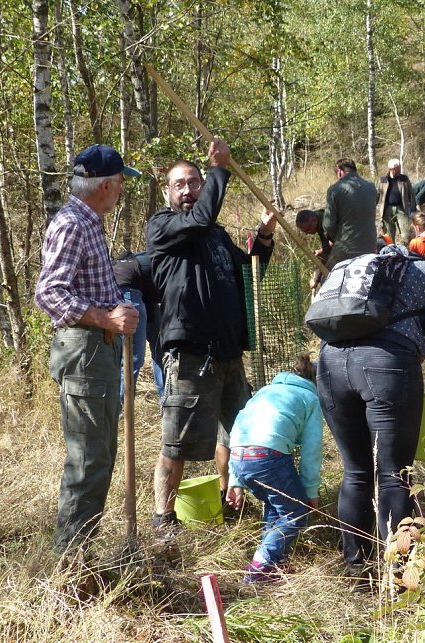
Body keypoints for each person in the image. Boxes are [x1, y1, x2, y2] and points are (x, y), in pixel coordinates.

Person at [146, 137, 276, 535]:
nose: (188, 190)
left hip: (228, 353)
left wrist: (265, 236)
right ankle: (164, 520)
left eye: (195, 182)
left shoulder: (216, 235)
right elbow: (198, 220)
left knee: (238, 432)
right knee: (178, 443)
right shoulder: (164, 228)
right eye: (179, 184)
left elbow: (247, 273)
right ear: (168, 192)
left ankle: (227, 498)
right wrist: (221, 168)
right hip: (190, 355)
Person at [316, 244, 425, 577]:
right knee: (394, 476)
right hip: (386, 366)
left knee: (355, 472)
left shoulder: (353, 266)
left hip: (328, 365)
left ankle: (357, 572)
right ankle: (398, 578)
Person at [34, 144, 140, 553]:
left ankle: (79, 556)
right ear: (107, 185)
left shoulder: (88, 221)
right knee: (89, 460)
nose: (122, 191)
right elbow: (49, 294)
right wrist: (106, 318)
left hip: (96, 350)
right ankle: (70, 565)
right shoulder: (73, 224)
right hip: (85, 350)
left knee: (99, 456)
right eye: (120, 184)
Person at [225, 354, 322, 583]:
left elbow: (239, 428)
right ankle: (259, 567)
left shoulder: (266, 391)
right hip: (269, 457)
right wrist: (310, 491)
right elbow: (311, 450)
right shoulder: (310, 398)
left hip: (239, 455)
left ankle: (274, 564)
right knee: (296, 513)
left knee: (275, 505)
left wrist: (235, 479)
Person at [113, 251, 164, 401]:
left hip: (145, 291)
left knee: (161, 346)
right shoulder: (176, 264)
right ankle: (120, 409)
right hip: (126, 285)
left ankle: (167, 403)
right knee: (134, 356)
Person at [323, 158, 377, 268]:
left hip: (347, 247)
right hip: (370, 246)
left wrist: (333, 239)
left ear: (339, 171)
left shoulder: (335, 189)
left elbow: (328, 225)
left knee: (327, 276)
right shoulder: (371, 187)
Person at [376, 158, 415, 245]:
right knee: (388, 235)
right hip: (386, 210)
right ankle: (391, 253)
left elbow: (411, 194)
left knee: (406, 234)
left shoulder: (404, 179)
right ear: (390, 169)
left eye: (399, 169)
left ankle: (403, 251)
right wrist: (372, 206)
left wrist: (412, 209)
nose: (399, 171)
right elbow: (378, 194)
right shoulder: (383, 179)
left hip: (401, 209)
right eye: (397, 169)